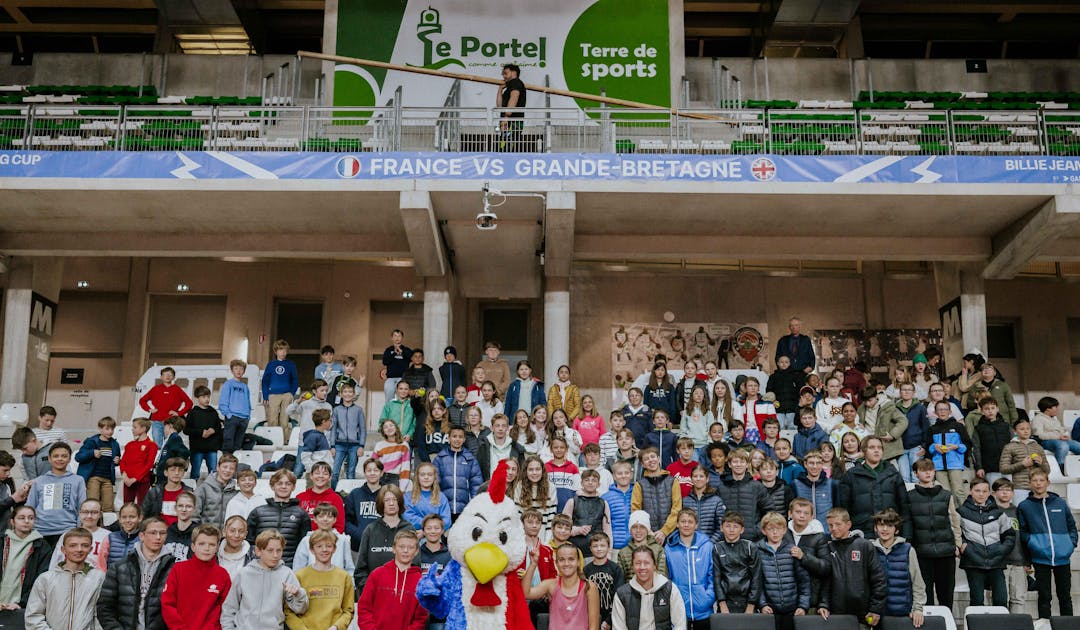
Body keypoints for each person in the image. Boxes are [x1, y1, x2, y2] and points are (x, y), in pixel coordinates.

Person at [1018, 468, 1077, 619]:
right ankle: (1045, 624)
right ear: (1030, 483)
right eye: (1035, 481)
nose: (1038, 484)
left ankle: (1068, 626)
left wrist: (1070, 545)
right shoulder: (1024, 506)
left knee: (1065, 596)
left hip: (1062, 557)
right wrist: (1033, 544)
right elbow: (1023, 532)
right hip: (1040, 558)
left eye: (1041, 480)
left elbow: (1071, 526)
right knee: (1044, 597)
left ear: (1048, 483)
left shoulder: (1060, 503)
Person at [97, 516, 174, 630]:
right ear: (141, 536)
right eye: (153, 533)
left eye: (162, 533)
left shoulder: (174, 569)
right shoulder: (119, 567)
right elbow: (105, 607)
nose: (158, 537)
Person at [222, 529, 309, 630]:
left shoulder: (287, 574)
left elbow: (300, 610)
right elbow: (229, 608)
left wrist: (298, 594)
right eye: (270, 550)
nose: (275, 555)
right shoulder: (244, 573)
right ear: (258, 551)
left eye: (279, 550)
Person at [24, 527, 104, 630]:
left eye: (85, 545)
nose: (79, 549)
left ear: (91, 549)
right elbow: (33, 616)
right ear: (63, 549)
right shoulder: (45, 579)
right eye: (72, 545)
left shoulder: (99, 578)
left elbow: (101, 616)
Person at [907, 458, 962, 609]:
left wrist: (957, 543)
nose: (927, 473)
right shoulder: (910, 496)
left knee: (946, 597)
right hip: (922, 553)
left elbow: (954, 520)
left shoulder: (945, 495)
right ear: (916, 473)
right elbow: (909, 523)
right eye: (923, 470)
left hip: (946, 552)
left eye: (930, 470)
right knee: (926, 597)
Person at [819, 507, 886, 624]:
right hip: (836, 614)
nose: (834, 528)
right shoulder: (827, 547)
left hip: (864, 614)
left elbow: (878, 579)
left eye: (838, 524)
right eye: (830, 525)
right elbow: (825, 580)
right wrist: (824, 604)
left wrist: (875, 609)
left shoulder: (865, 545)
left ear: (848, 524)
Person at [160, 524, 232, 630]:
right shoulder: (178, 569)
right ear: (193, 547)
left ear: (217, 547)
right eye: (201, 544)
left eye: (211, 544)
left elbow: (227, 610)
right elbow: (167, 604)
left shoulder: (222, 575)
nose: (206, 548)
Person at [958, 478, 1014, 607]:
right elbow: (955, 534)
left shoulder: (998, 513)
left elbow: (1010, 536)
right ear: (970, 491)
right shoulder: (961, 512)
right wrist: (965, 547)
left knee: (1001, 600)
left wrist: (1001, 550)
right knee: (977, 601)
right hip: (973, 561)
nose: (981, 494)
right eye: (977, 490)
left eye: (984, 491)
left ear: (989, 493)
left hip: (996, 562)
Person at [839, 436, 910, 538]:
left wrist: (907, 535)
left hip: (889, 532)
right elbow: (844, 509)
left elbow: (904, 507)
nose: (876, 450)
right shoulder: (851, 475)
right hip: (862, 533)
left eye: (879, 447)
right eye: (872, 447)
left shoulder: (893, 474)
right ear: (863, 451)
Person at [522, 542, 601, 630]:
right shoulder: (551, 585)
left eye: (571, 559)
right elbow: (526, 593)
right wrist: (533, 564)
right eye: (562, 559)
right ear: (557, 563)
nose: (566, 563)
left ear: (578, 562)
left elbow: (593, 627)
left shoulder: (589, 587)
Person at [356, 528, 425, 629]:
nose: (405, 551)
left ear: (416, 551)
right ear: (393, 548)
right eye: (401, 547)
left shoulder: (420, 581)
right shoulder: (377, 574)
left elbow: (421, 617)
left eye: (410, 547)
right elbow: (364, 608)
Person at [870, 509, 926, 628]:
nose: (885, 529)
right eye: (881, 525)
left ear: (897, 529)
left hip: (902, 614)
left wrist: (918, 609)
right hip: (875, 615)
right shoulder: (869, 549)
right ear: (875, 528)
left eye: (889, 526)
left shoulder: (908, 550)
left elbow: (918, 583)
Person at [291, 528, 355, 629]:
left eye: (329, 546)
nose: (324, 549)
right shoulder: (300, 576)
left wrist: (336, 627)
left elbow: (349, 610)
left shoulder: (344, 577)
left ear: (334, 548)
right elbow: (289, 611)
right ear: (312, 549)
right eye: (319, 546)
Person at [354, 485, 414, 594]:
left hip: (402, 595)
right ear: (381, 503)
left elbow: (415, 567)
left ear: (399, 502)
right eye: (387, 500)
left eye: (394, 499)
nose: (391, 503)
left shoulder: (408, 530)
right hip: (374, 596)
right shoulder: (370, 530)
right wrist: (369, 591)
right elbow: (360, 570)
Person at [245, 469, 311, 566]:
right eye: (279, 483)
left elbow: (305, 545)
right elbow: (249, 543)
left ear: (293, 487)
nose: (283, 487)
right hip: (261, 566)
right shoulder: (258, 512)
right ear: (272, 486)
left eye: (288, 484)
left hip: (290, 566)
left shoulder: (301, 514)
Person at [758, 511, 811, 630]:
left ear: (784, 530)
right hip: (769, 610)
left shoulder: (793, 550)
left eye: (778, 528)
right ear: (764, 531)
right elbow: (757, 582)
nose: (775, 532)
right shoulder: (757, 551)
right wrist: (762, 604)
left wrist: (803, 606)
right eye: (771, 529)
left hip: (792, 609)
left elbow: (804, 581)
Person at [612, 546, 685, 630]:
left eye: (646, 563)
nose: (642, 567)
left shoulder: (669, 588)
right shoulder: (622, 594)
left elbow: (680, 624)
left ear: (654, 565)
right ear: (632, 566)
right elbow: (618, 627)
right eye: (638, 563)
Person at [665, 508, 715, 630]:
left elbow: (713, 575)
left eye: (690, 521)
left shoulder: (707, 546)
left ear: (696, 524)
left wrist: (707, 598)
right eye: (683, 521)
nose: (686, 525)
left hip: (704, 611)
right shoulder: (669, 548)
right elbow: (667, 577)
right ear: (677, 524)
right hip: (680, 610)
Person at [27, 442, 85, 546]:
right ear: (49, 459)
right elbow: (30, 507)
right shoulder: (39, 481)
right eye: (55, 456)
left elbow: (82, 507)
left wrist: (78, 530)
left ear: (69, 459)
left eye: (64, 456)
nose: (60, 459)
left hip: (67, 531)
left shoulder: (78, 480)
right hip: (40, 531)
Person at [0, 505, 51, 609]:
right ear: (12, 521)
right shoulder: (2, 541)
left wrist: (22, 603)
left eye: (31, 518)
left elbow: (41, 579)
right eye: (21, 518)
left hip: (22, 605)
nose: (27, 521)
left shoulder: (41, 546)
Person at [785, 498, 830, 613]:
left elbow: (826, 568)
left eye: (806, 513)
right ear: (790, 514)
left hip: (811, 600)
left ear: (811, 517)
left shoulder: (819, 537)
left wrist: (803, 557)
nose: (802, 516)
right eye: (798, 512)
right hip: (784, 599)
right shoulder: (782, 533)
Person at [992, 478, 1029, 614]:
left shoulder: (1019, 511)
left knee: (1018, 598)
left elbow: (1024, 536)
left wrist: (1027, 560)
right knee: (1000, 599)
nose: (1005, 493)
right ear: (994, 493)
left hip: (1018, 561)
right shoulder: (992, 511)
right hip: (999, 563)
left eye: (1008, 490)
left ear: (1013, 493)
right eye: (1001, 490)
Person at [712, 511, 760, 614]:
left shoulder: (750, 547)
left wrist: (751, 604)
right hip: (726, 601)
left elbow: (756, 577)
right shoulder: (717, 548)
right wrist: (722, 603)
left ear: (742, 529)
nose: (731, 530)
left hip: (746, 601)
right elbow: (717, 577)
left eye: (735, 526)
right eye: (728, 526)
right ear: (721, 528)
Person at [715, 449, 768, 541]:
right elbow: (717, 515)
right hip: (727, 539)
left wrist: (757, 530)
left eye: (742, 462)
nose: (738, 465)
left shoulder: (757, 486)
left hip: (752, 540)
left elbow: (769, 511)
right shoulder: (721, 488)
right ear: (729, 464)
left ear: (747, 464)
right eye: (735, 462)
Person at [434, 426, 482, 524]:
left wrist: (474, 506)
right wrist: (437, 504)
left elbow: (476, 485)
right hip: (444, 508)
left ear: (464, 439)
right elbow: (435, 484)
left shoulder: (470, 459)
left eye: (460, 437)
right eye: (454, 436)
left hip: (464, 509)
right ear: (449, 438)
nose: (457, 439)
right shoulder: (440, 458)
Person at [74, 416, 119, 514]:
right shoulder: (92, 442)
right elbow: (78, 457)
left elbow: (115, 459)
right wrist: (92, 453)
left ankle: (106, 527)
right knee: (93, 504)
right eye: (107, 429)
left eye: (112, 429)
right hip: (93, 477)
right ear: (100, 429)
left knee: (108, 506)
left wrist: (117, 461)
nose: (110, 431)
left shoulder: (114, 444)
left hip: (108, 479)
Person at [139, 366, 193, 446]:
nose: (167, 376)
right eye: (165, 374)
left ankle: (169, 458)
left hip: (171, 422)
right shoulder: (156, 389)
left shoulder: (177, 389)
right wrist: (149, 409)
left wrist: (179, 413)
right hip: (157, 420)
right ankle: (158, 458)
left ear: (173, 377)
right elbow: (142, 400)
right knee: (157, 444)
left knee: (170, 444)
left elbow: (189, 403)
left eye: (170, 374)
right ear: (161, 377)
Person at [288, 380, 332, 477]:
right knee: (298, 469)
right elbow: (289, 412)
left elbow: (329, 426)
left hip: (321, 444)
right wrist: (298, 401)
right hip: (304, 442)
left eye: (326, 390)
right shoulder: (305, 404)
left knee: (320, 470)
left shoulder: (328, 406)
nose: (324, 393)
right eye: (322, 390)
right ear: (314, 391)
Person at [999, 417, 1050, 500]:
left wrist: (1042, 464)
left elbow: (1047, 471)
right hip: (1019, 487)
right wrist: (1022, 464)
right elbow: (1003, 469)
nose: (1026, 431)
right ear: (1015, 431)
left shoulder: (1038, 447)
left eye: (1028, 428)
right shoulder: (1009, 447)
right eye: (1022, 429)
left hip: (1038, 487)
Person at [48, 499, 108, 569]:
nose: (89, 516)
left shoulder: (108, 536)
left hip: (97, 578)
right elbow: (55, 562)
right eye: (85, 512)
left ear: (100, 514)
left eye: (94, 512)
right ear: (80, 513)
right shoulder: (67, 535)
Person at [1031, 396, 1080, 472]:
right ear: (1048, 409)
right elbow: (1038, 434)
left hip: (1059, 440)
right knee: (1063, 446)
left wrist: (1064, 435)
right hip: (1046, 441)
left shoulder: (1054, 419)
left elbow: (1060, 430)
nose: (1057, 409)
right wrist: (1058, 436)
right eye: (1055, 407)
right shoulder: (1038, 419)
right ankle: (1060, 469)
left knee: (1077, 445)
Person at [186, 385, 225, 479]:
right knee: (195, 472)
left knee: (213, 472)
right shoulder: (192, 412)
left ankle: (213, 491)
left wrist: (213, 430)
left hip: (211, 448)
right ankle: (192, 491)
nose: (207, 399)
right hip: (197, 449)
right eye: (203, 397)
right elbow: (186, 430)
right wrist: (201, 432)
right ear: (197, 398)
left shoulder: (213, 412)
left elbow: (219, 428)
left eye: (208, 396)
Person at [344, 459, 384, 549]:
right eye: (369, 470)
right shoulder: (355, 494)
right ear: (365, 473)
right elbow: (346, 521)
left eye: (376, 470)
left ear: (381, 473)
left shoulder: (388, 494)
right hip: (358, 545)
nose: (372, 473)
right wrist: (359, 533)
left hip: (382, 546)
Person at [296, 461, 345, 532]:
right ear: (311, 476)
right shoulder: (300, 497)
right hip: (303, 540)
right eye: (317, 473)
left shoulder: (336, 498)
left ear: (330, 477)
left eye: (325, 474)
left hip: (326, 540)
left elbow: (339, 526)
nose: (321, 476)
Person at [119, 417, 158, 504]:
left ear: (144, 429)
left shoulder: (151, 445)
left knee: (142, 506)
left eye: (135, 427)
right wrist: (125, 476)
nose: (132, 429)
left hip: (142, 480)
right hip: (127, 480)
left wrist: (135, 478)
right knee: (127, 505)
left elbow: (149, 464)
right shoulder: (130, 444)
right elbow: (123, 461)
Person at [403, 462, 451, 530]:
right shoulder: (408, 496)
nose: (426, 477)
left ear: (434, 477)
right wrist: (429, 526)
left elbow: (446, 521)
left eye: (430, 474)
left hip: (435, 535)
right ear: (417, 477)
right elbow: (407, 517)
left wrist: (427, 531)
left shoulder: (441, 497)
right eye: (422, 475)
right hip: (414, 534)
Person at [196, 452, 239, 529]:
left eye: (231, 468)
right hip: (206, 533)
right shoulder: (203, 488)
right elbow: (195, 514)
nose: (228, 470)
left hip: (227, 535)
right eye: (225, 467)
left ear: (235, 471)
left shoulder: (236, 491)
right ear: (218, 467)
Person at [219, 359, 252, 453]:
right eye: (236, 368)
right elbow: (223, 401)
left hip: (244, 418)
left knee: (238, 445)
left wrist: (248, 416)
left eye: (241, 369)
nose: (238, 371)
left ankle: (234, 464)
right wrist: (228, 414)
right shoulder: (228, 384)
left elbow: (247, 401)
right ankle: (225, 463)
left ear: (244, 371)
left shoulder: (245, 386)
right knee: (228, 443)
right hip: (232, 417)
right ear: (232, 370)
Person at [143, 457, 188, 525]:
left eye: (180, 470)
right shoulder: (154, 492)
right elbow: (144, 514)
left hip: (181, 532)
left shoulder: (189, 493)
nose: (176, 473)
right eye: (173, 470)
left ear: (183, 473)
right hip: (159, 531)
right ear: (166, 472)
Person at [99, 502, 141, 569]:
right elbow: (101, 563)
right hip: (111, 577)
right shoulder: (110, 538)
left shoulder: (143, 539)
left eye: (132, 517)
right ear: (120, 519)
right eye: (124, 517)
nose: (128, 520)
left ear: (140, 518)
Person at [496, 63, 527, 150]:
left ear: (514, 73)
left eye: (505, 73)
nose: (503, 76)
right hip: (506, 121)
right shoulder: (509, 87)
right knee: (503, 144)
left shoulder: (516, 82)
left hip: (513, 121)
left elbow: (514, 97)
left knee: (510, 146)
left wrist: (507, 116)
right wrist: (500, 89)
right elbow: (499, 106)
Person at [154, 417, 190, 485]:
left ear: (170, 426)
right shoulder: (170, 438)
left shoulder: (175, 438)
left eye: (165, 427)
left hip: (165, 476)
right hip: (162, 474)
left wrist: (174, 467)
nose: (163, 430)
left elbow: (184, 452)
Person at [163, 491, 198, 562]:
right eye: (180, 506)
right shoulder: (167, 531)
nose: (184, 510)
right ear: (175, 508)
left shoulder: (198, 533)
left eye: (188, 506)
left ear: (194, 509)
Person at [381, 329, 412, 403]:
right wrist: (394, 353)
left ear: (402, 338)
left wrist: (402, 352)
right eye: (395, 336)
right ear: (392, 338)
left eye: (399, 336)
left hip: (403, 378)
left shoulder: (406, 349)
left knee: (402, 399)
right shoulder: (388, 350)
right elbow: (385, 362)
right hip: (390, 378)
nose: (397, 338)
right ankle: (389, 413)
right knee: (389, 399)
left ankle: (402, 413)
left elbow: (412, 358)